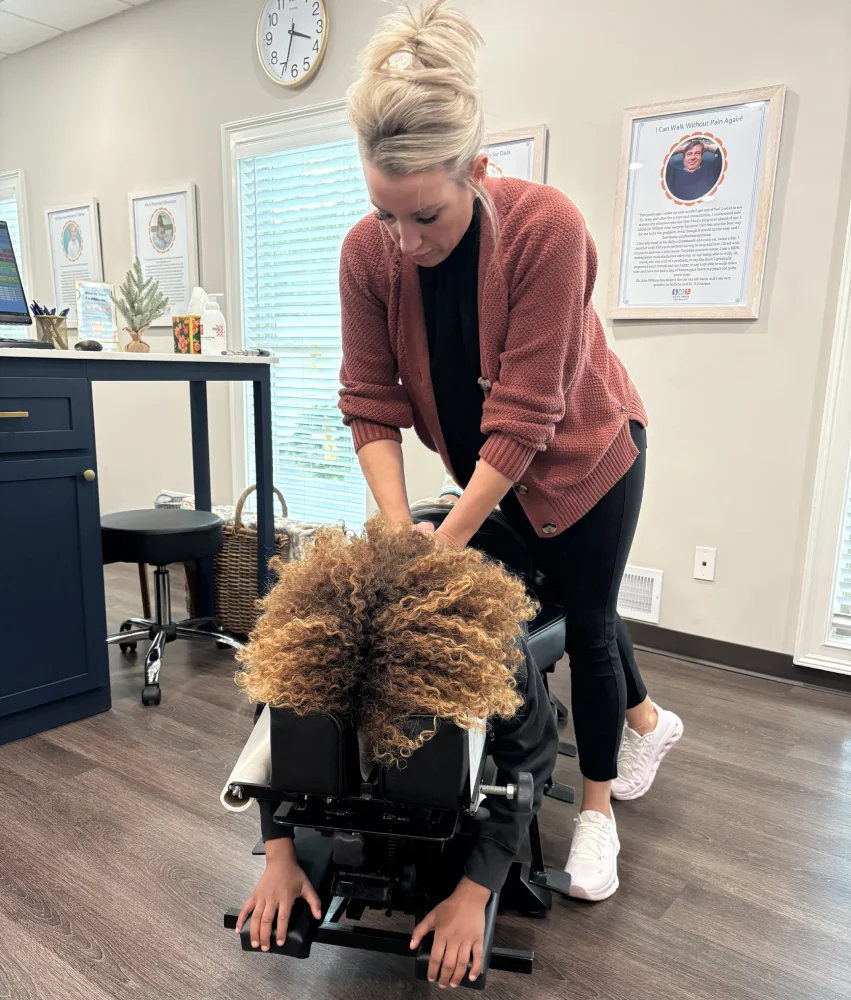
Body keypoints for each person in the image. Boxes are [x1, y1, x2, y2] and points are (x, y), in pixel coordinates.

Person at [338, 0, 684, 901]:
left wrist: (447, 540)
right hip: (492, 472)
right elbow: (369, 401)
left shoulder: (546, 229)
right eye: (385, 215)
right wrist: (400, 534)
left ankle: (600, 812)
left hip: (587, 452)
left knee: (590, 626)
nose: (406, 245)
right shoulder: (367, 255)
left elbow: (529, 417)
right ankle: (650, 719)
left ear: (477, 172)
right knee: (576, 596)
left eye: (426, 219)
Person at [233, 517, 558, 988]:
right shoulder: (295, 642)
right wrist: (278, 857)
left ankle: (452, 497)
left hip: (495, 532)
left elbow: (529, 760)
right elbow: (271, 740)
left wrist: (475, 892)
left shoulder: (497, 652)